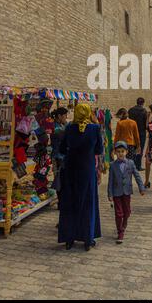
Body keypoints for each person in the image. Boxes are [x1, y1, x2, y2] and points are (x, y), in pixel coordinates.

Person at [58, 104, 103, 251]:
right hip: (87, 169)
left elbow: (62, 149)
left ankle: (69, 238)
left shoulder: (69, 128)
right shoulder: (95, 129)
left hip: (71, 169)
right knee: (88, 203)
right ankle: (87, 238)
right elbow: (99, 149)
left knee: (70, 202)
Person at [108, 141, 145, 244]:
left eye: (122, 151)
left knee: (127, 212)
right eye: (118, 151)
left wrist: (141, 188)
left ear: (126, 152)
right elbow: (110, 181)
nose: (120, 153)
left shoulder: (131, 163)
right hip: (116, 192)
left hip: (127, 192)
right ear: (115, 153)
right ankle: (120, 231)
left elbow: (137, 176)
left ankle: (124, 225)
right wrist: (110, 194)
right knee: (119, 213)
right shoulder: (113, 165)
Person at [51, 107, 68, 211]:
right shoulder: (55, 127)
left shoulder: (63, 125)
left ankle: (63, 201)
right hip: (58, 157)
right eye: (65, 116)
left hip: (64, 156)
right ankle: (61, 202)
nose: (66, 118)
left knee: (63, 180)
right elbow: (62, 136)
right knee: (59, 180)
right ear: (59, 116)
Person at [128, 98, 148, 171]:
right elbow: (146, 124)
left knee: (132, 148)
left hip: (132, 132)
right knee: (140, 148)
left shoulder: (130, 110)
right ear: (143, 103)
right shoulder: (144, 111)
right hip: (141, 132)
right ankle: (138, 166)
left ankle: (131, 165)